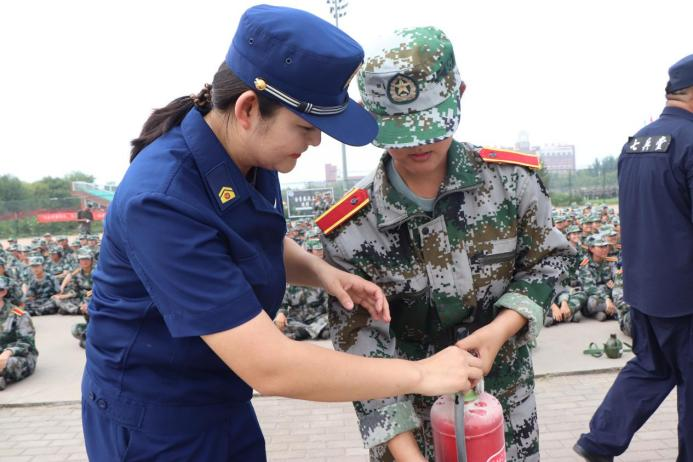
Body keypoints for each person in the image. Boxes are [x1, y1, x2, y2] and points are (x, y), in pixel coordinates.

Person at [82, 7, 483, 462]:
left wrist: (320, 271)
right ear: (248, 109)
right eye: (306, 127)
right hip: (156, 421)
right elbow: (270, 367)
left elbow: (247, 237)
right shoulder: (161, 201)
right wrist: (421, 374)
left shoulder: (250, 153)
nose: (315, 142)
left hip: (220, 397)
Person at [319, 27, 570, 462]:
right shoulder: (352, 227)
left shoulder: (512, 183)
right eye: (402, 132)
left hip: (505, 411)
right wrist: (409, 455)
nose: (418, 143)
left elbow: (548, 261)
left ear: (459, 95)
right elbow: (362, 353)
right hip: (410, 427)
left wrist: (501, 328)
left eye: (430, 124)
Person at [574, 55, 693, 462]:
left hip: (642, 288)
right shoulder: (690, 141)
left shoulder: (636, 143)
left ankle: (599, 441)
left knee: (651, 367)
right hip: (686, 296)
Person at [0, 277, 38, 391]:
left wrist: (8, 352)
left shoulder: (19, 315)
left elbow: (27, 343)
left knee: (8, 363)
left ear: (3, 292)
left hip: (17, 356)